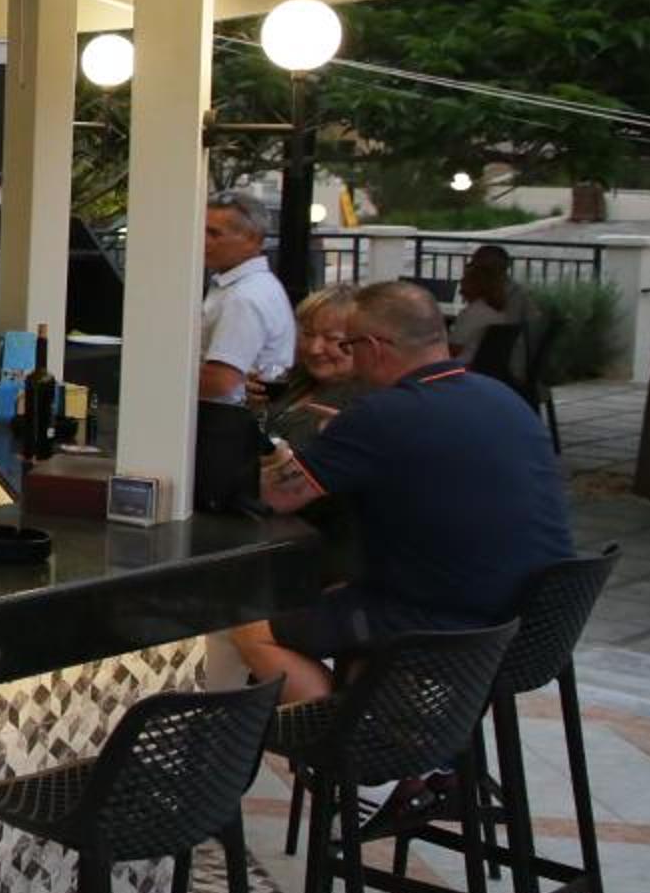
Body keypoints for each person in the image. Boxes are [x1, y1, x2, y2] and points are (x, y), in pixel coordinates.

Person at [229, 279, 573, 703]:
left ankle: (339, 734)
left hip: (447, 622)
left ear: (374, 347)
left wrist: (280, 456)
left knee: (250, 630)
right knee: (341, 599)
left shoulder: (382, 414)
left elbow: (275, 497)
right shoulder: (502, 397)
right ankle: (393, 727)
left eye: (349, 345)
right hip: (533, 620)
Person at [200, 191, 295, 405]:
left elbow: (220, 382)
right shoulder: (252, 286)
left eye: (214, 233)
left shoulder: (244, 296)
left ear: (252, 239)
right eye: (201, 231)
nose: (203, 241)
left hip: (224, 417)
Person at [258, 286, 367, 448]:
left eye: (331, 338)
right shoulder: (295, 378)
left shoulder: (364, 403)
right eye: (308, 334)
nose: (314, 349)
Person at [449, 245, 536, 381]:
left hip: (495, 369)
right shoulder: (512, 295)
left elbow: (454, 349)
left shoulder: (478, 310)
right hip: (503, 369)